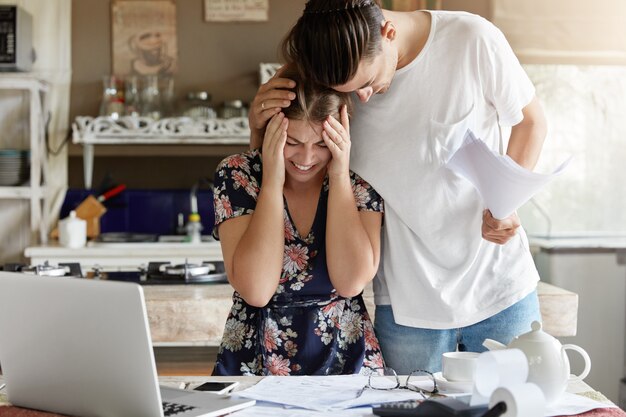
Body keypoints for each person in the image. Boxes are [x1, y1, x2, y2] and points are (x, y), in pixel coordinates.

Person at [248, 1, 548, 374]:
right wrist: (257, 127)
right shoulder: (325, 73)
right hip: (407, 306)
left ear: (387, 33)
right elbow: (296, 159)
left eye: (367, 82)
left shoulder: (472, 39)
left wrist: (505, 199)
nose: (363, 98)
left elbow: (531, 122)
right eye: (349, 90)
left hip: (499, 287)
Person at [212, 65, 385, 376]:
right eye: (292, 142)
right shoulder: (238, 174)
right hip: (256, 357)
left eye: (321, 144)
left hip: (345, 358)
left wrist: (339, 174)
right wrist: (272, 182)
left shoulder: (360, 181)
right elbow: (256, 290)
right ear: (271, 132)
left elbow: (350, 283)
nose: (306, 159)